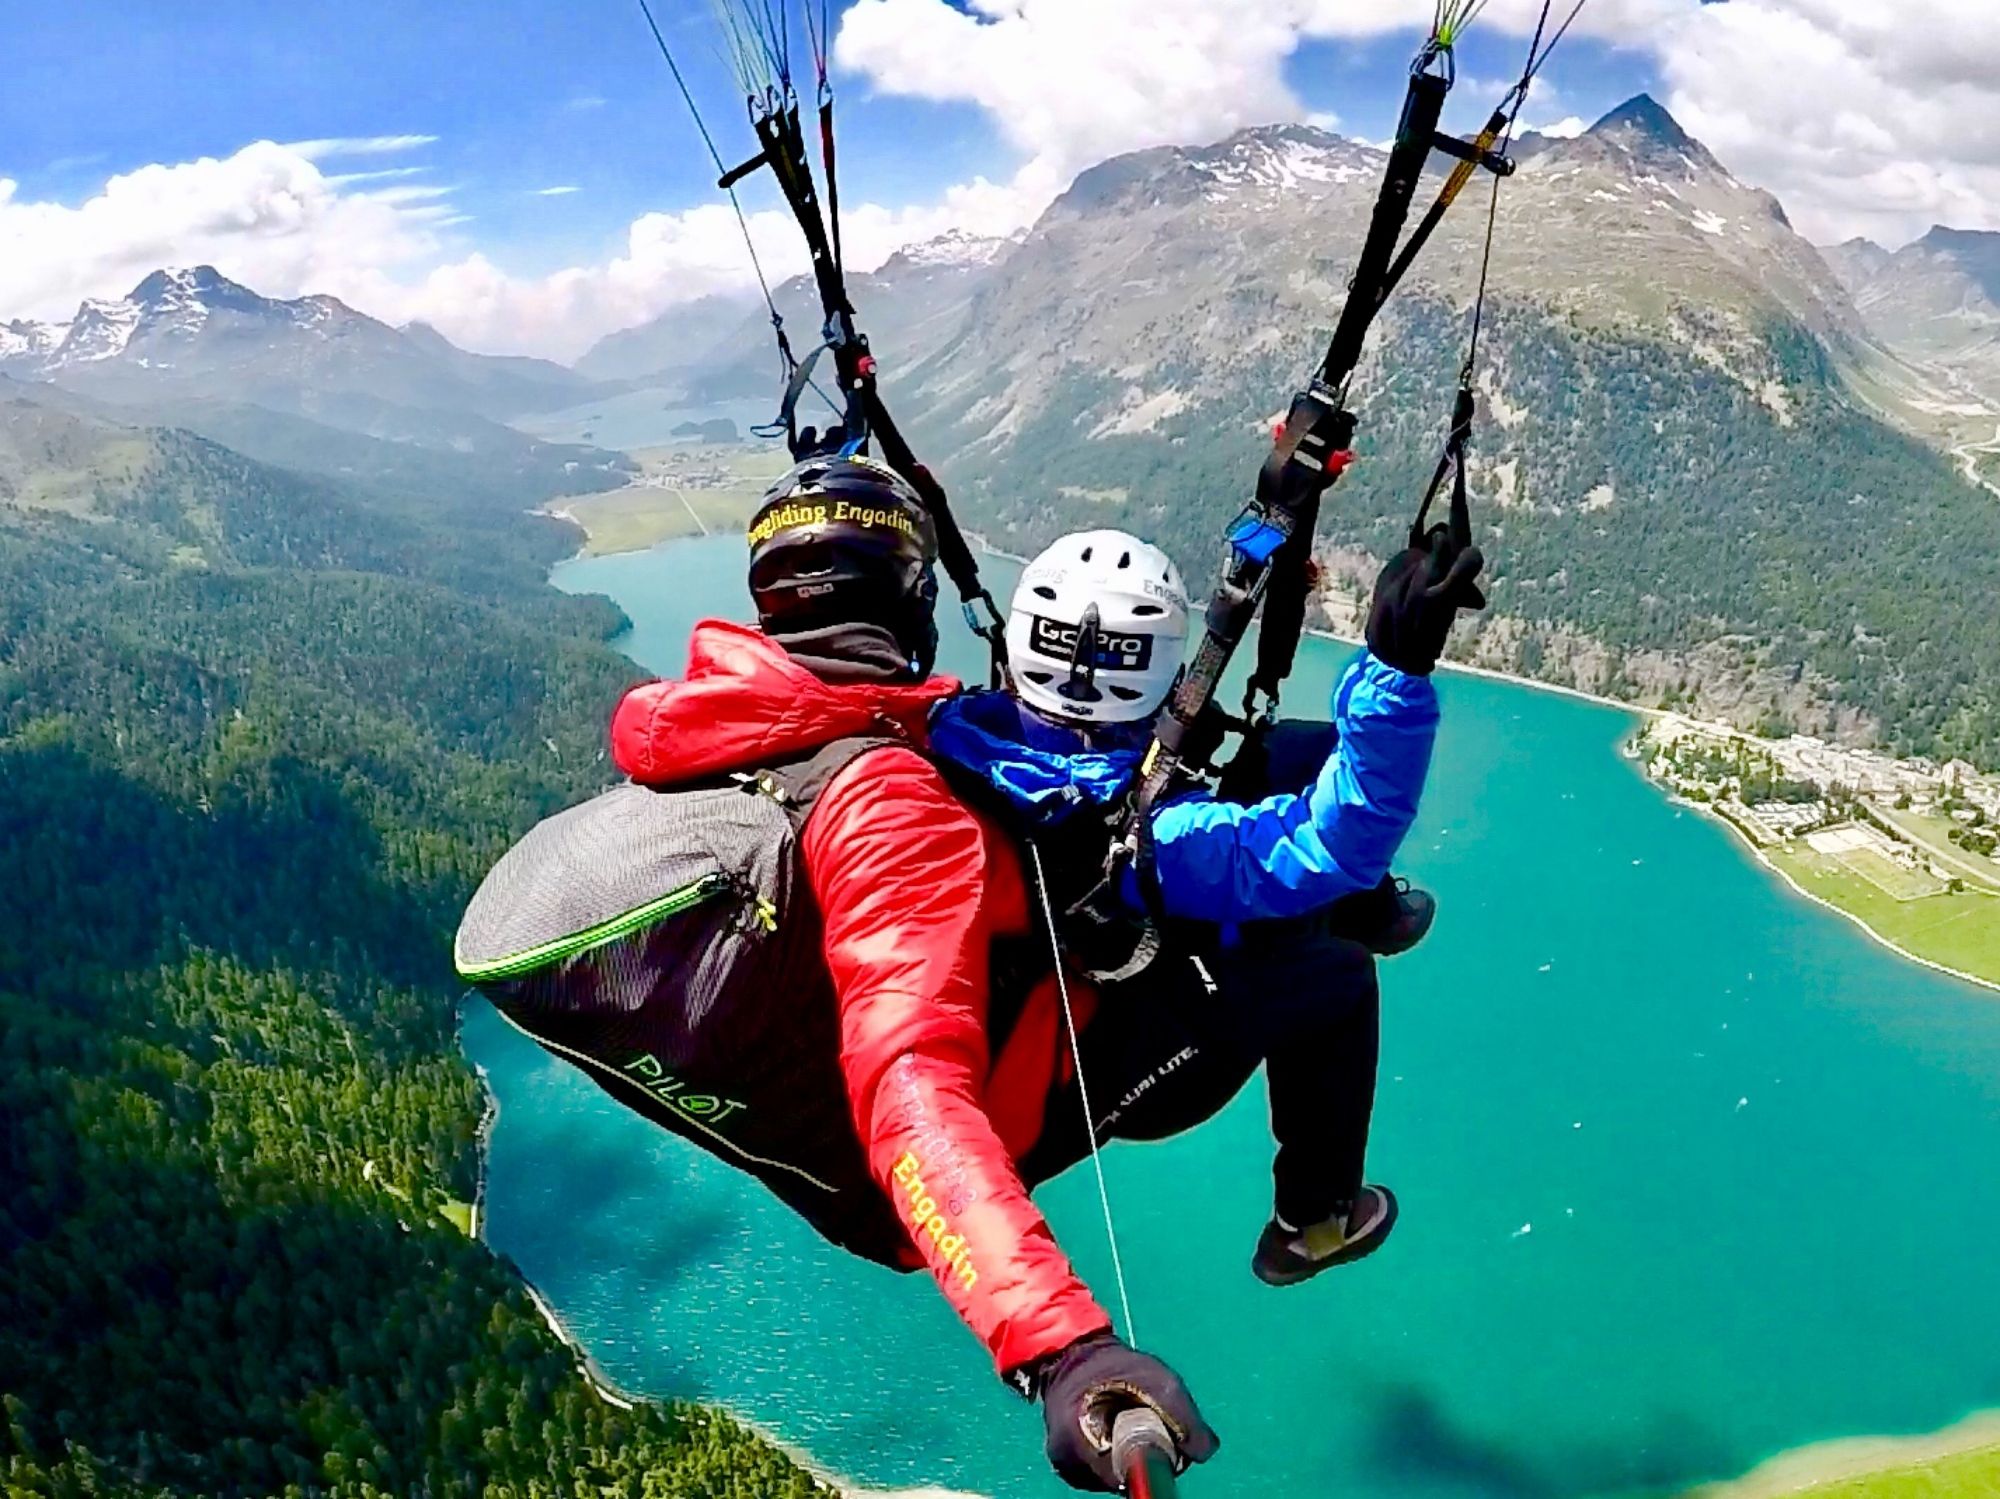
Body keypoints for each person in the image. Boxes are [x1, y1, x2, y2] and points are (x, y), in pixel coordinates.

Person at [603, 455, 1217, 1492]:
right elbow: (910, 1086)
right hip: (934, 1176)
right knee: (1304, 969)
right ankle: (1315, 1212)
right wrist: (1061, 1347)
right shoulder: (887, 798)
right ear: (914, 601)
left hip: (823, 1134)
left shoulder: (727, 728)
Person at [926, 524, 1480, 1284]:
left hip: (1081, 972)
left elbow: (1152, 740)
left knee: (1292, 753)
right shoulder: (1159, 840)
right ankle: (1313, 1220)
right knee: (1341, 980)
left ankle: (1367, 907)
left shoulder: (959, 733)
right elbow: (1340, 836)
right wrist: (1397, 667)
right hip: (1132, 1061)